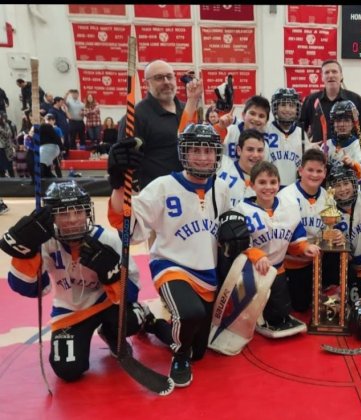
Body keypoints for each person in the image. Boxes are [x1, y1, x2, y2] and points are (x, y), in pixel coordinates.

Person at [107, 123, 231, 388]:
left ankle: (152, 324)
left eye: (208, 150)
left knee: (198, 348)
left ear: (217, 154)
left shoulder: (222, 189)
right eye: (195, 150)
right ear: (183, 152)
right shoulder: (163, 187)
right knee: (189, 314)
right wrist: (118, 184)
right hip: (171, 265)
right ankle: (179, 357)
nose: (202, 157)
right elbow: (127, 225)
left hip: (207, 272)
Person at [0, 181, 147, 382]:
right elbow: (29, 288)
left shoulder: (108, 239)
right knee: (67, 370)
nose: (72, 220)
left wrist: (111, 274)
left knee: (130, 321)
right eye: (63, 214)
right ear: (52, 217)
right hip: (70, 310)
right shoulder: (45, 243)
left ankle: (113, 332)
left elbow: (132, 292)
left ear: (87, 212)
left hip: (107, 304)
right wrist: (25, 252)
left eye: (78, 211)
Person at [234, 161, 320, 338]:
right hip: (250, 271)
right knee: (248, 311)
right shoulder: (241, 210)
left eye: (273, 182)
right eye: (262, 182)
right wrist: (257, 255)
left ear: (279, 184)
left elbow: (295, 236)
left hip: (277, 269)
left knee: (281, 312)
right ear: (252, 185)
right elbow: (239, 244)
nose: (268, 187)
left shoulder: (289, 207)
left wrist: (305, 247)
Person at [114, 59, 203, 190]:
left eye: (169, 76)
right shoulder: (136, 116)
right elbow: (125, 161)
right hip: (155, 194)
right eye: (159, 78)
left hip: (190, 190)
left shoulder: (189, 109)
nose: (166, 82)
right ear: (147, 84)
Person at [278, 148, 331, 312]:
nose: (314, 175)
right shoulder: (285, 196)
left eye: (319, 171)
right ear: (300, 170)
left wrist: (333, 234)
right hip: (292, 263)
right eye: (310, 170)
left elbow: (328, 228)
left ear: (325, 173)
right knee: (299, 308)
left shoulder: (327, 196)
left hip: (318, 261)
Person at [327, 165, 361, 304]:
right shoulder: (329, 208)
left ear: (354, 183)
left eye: (346, 183)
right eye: (337, 185)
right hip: (351, 269)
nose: (342, 189)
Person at [299, 60, 361, 146]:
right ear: (322, 77)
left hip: (349, 154)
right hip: (319, 153)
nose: (330, 75)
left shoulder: (355, 99)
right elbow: (299, 129)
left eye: (334, 72)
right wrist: (307, 146)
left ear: (341, 76)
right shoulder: (311, 100)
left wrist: (359, 147)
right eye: (327, 72)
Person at [266, 88, 310, 187]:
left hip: (294, 188)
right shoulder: (266, 130)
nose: (287, 109)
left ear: (297, 108)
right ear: (275, 107)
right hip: (270, 187)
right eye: (283, 105)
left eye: (292, 106)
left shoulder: (301, 133)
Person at [321, 100, 361, 184]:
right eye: (338, 121)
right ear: (333, 123)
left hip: (350, 190)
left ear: (353, 124)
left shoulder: (358, 145)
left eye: (346, 120)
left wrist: (353, 164)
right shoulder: (326, 145)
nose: (342, 124)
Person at [218, 128, 265, 207]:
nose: (255, 155)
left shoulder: (267, 181)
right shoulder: (222, 167)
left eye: (260, 150)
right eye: (250, 149)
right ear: (239, 150)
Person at [220, 95, 270, 162]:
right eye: (252, 113)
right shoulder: (230, 130)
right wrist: (220, 127)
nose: (256, 119)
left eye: (261, 116)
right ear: (243, 115)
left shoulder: (264, 146)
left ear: (266, 121)